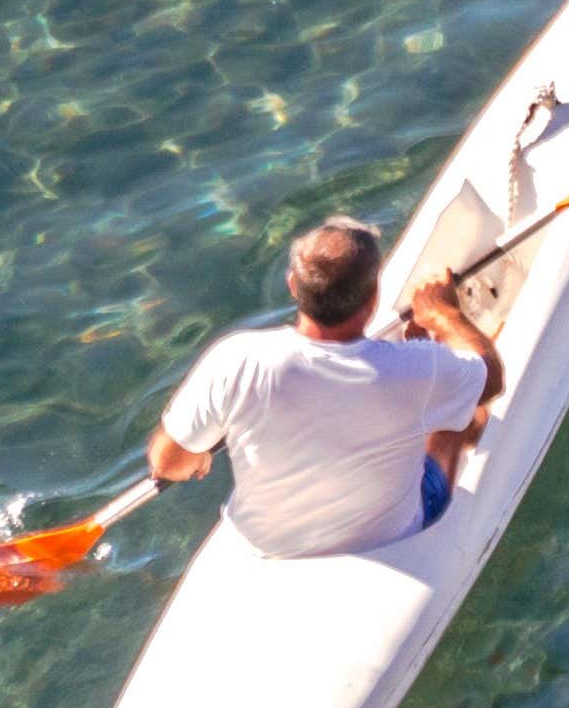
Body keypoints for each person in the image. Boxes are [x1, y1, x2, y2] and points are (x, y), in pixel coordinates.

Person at [146, 215, 503, 557]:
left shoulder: (234, 361)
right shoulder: (415, 367)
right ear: (374, 296)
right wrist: (443, 314)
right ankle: (463, 425)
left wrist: (197, 454)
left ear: (292, 285)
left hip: (268, 548)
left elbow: (167, 463)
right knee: (466, 414)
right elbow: (491, 377)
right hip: (390, 537)